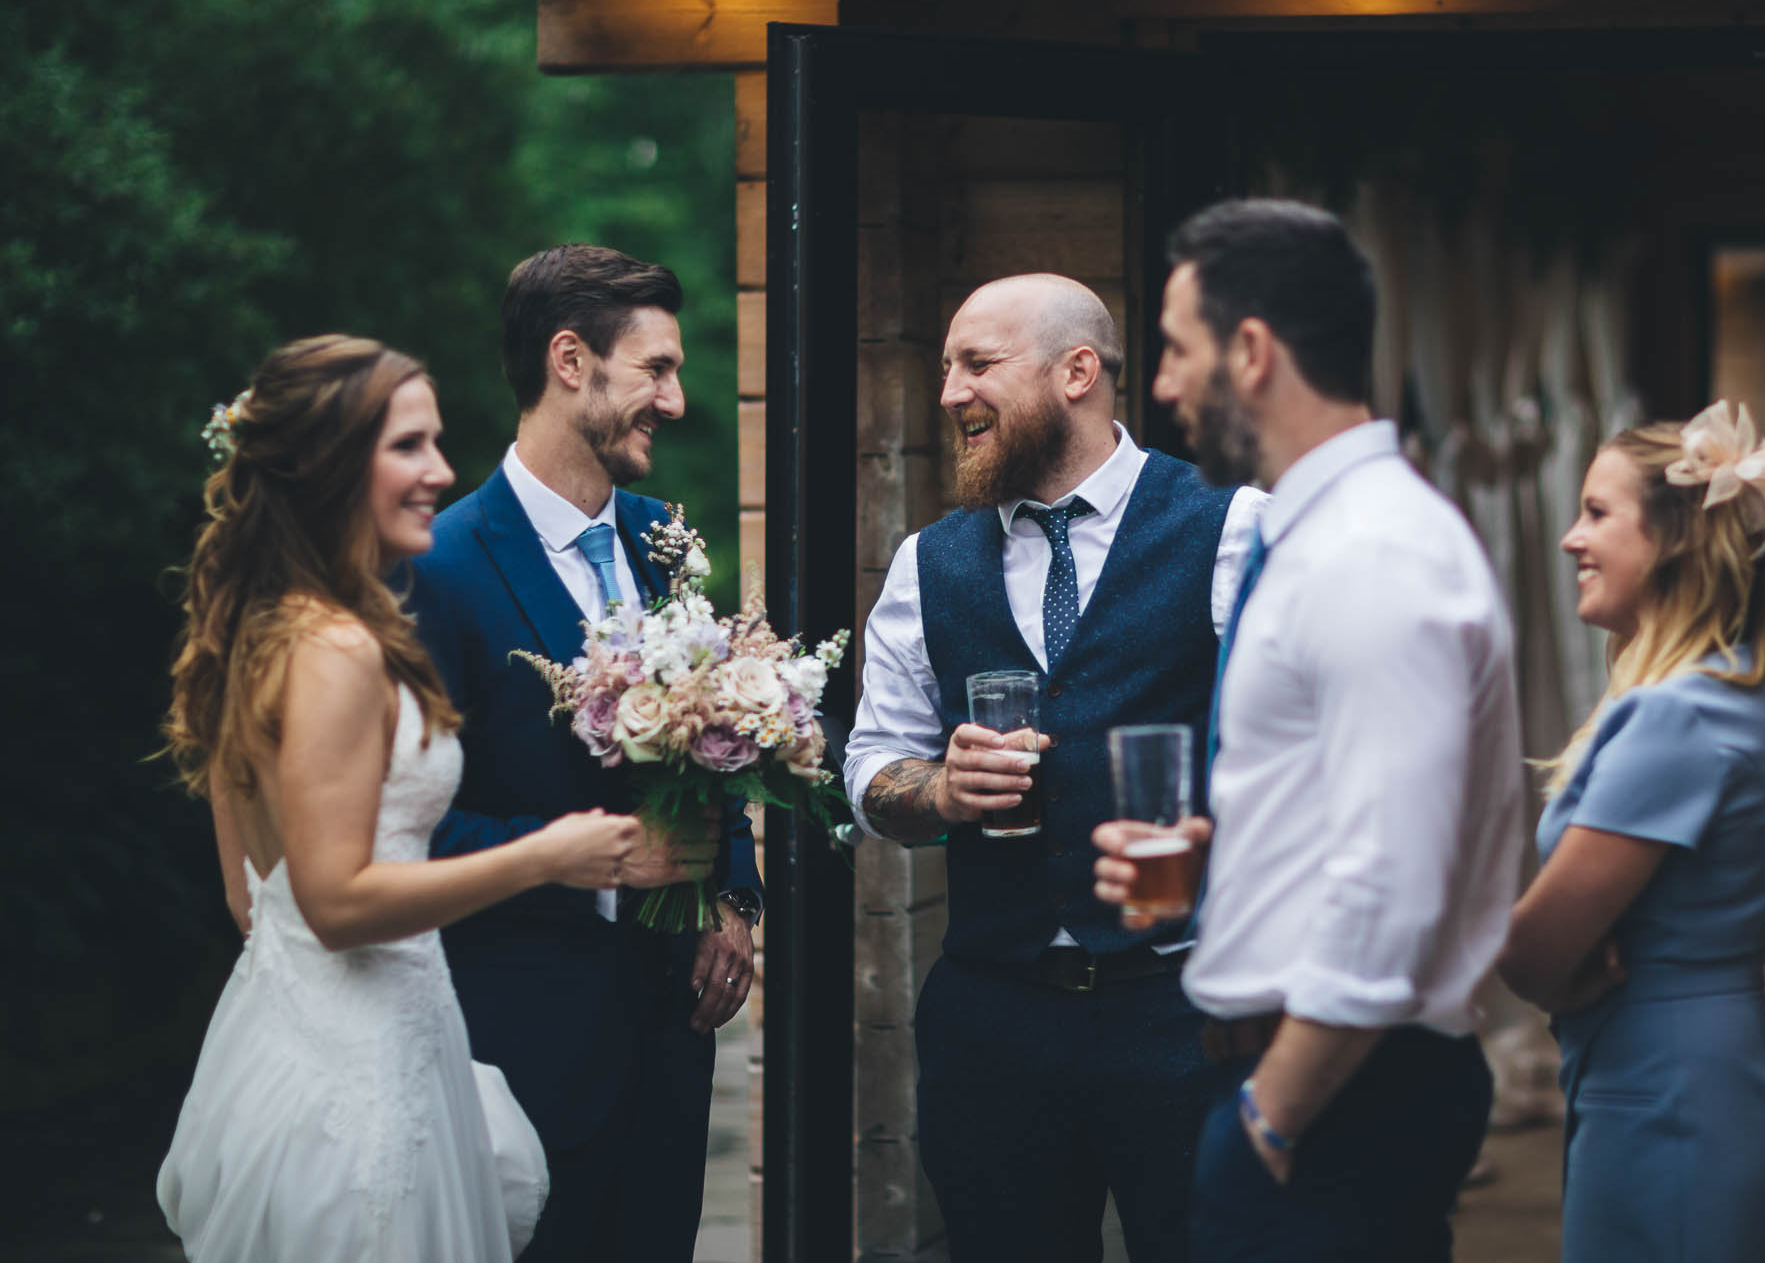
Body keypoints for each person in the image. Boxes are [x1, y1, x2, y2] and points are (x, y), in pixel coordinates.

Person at [1093, 199, 1525, 1261]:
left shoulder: (1372, 555)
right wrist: (1232, 866)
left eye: (1174, 349)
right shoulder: (1326, 534)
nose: (1156, 384)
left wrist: (1267, 1120)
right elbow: (1352, 821)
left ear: (1249, 352)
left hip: (1337, 1097)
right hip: (1314, 1082)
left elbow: (1393, 881)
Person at [158, 335, 643, 1260]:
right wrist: (546, 855)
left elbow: (250, 896)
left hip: (300, 1048)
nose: (442, 472)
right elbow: (333, 901)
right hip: (362, 1081)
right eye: (408, 446)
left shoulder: (262, 630)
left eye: (436, 444)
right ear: (328, 465)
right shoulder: (337, 651)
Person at [844, 272, 1265, 1262]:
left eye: (975, 364)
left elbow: (1306, 756)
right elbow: (868, 764)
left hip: (1184, 1004)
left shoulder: (1235, 526)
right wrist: (936, 790)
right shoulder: (928, 563)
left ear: (1078, 372)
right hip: (994, 1019)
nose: (948, 392)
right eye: (946, 366)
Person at [404, 245, 763, 1263]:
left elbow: (722, 745)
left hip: (670, 1043)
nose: (677, 400)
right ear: (570, 361)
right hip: (519, 1044)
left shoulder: (665, 542)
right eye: (655, 368)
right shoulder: (439, 565)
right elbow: (406, 828)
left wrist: (731, 895)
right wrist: (596, 864)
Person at [1495, 403, 1765, 1262]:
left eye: (1598, 513)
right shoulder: (1732, 688)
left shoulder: (1680, 717)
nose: (1570, 538)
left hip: (1672, 1095)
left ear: (1677, 538)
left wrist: (1539, 964)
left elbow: (1533, 952)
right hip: (1691, 1075)